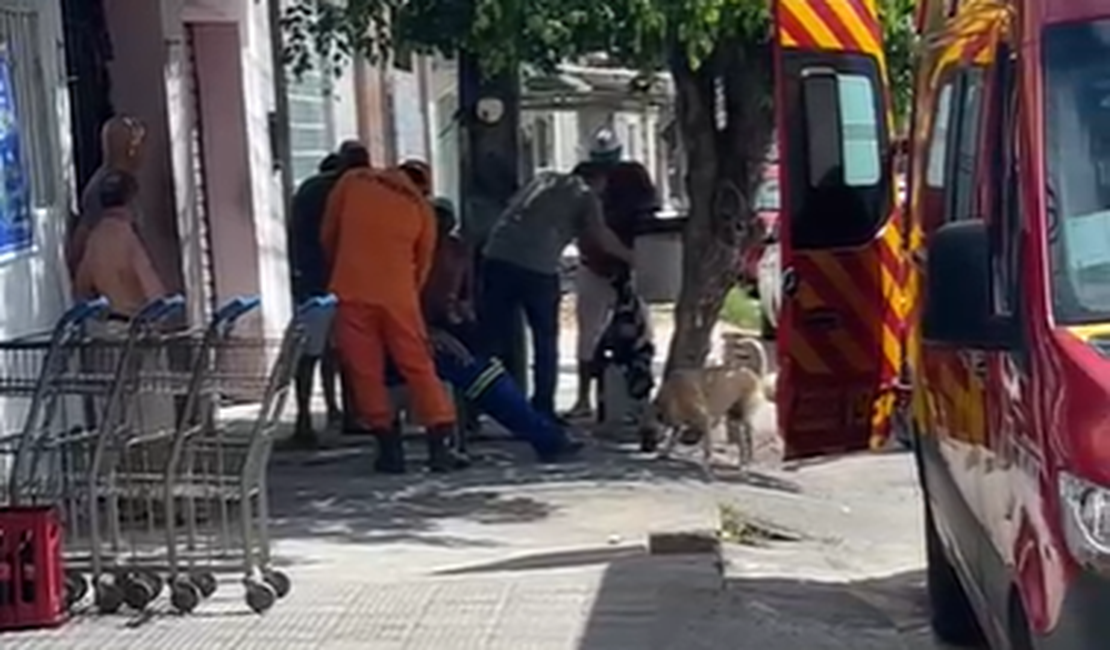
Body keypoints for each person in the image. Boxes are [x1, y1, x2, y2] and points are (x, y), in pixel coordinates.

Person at [322, 164, 465, 474]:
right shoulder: (421, 209)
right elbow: (423, 264)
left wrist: (346, 266)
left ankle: (389, 450)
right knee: (418, 366)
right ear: (424, 186)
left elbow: (329, 234)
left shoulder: (353, 180)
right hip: (398, 296)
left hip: (350, 290)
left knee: (365, 371)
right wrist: (404, 294)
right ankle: (440, 445)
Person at [423, 200, 579, 461]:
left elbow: (464, 296)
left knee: (485, 365)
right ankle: (544, 437)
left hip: (446, 329)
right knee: (479, 373)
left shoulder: (455, 250)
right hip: (415, 335)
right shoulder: (409, 256)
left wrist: (462, 314)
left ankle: (543, 434)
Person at [479, 162, 635, 419]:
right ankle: (542, 409)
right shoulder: (586, 196)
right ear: (598, 180)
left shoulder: (542, 180)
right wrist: (633, 258)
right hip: (537, 268)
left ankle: (479, 408)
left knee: (493, 337)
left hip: (496, 257)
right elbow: (600, 237)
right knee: (545, 341)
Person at [568, 129, 659, 419]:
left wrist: (635, 259)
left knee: (639, 332)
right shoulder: (584, 182)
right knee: (590, 335)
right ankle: (585, 398)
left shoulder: (633, 179)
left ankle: (639, 396)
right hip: (601, 265)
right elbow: (595, 233)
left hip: (626, 266)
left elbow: (649, 214)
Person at [287, 143, 370, 447]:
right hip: (339, 281)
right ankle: (348, 415)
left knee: (311, 353)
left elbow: (295, 234)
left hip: (311, 281)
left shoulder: (311, 189)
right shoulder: (353, 192)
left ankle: (306, 420)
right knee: (345, 352)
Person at [72, 170, 166, 316]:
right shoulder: (128, 239)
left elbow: (81, 288)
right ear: (131, 202)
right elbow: (154, 292)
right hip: (132, 324)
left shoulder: (95, 239)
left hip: (108, 325)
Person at [69, 115, 147, 280]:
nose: (142, 150)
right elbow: (84, 239)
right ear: (129, 149)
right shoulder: (109, 187)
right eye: (137, 142)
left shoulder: (124, 181)